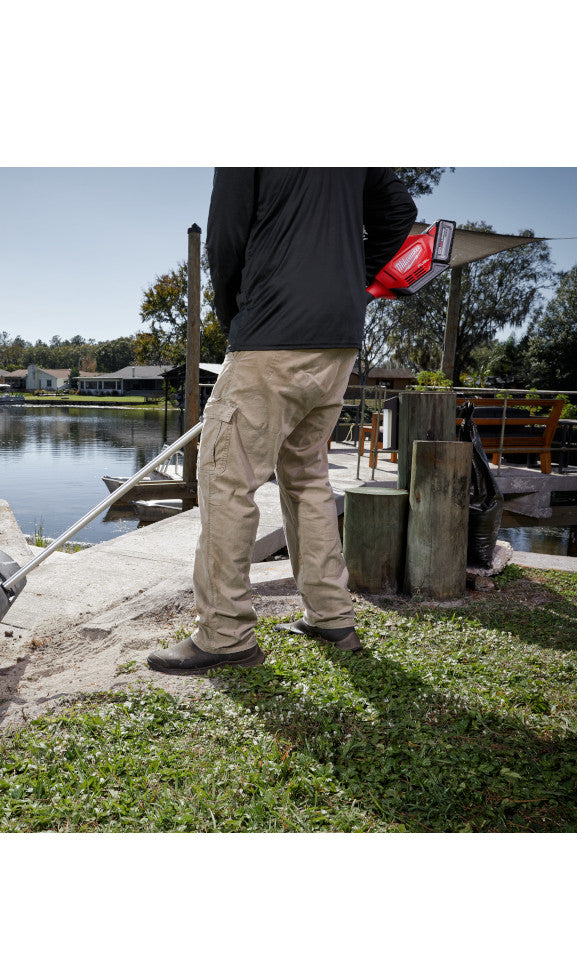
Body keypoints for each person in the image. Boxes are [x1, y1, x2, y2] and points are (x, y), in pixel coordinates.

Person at [147, 168, 417, 673]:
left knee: (226, 479)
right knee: (308, 475)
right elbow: (400, 212)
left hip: (272, 330)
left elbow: (225, 239)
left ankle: (225, 634)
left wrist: (236, 318)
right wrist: (352, 281)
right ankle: (331, 616)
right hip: (338, 337)